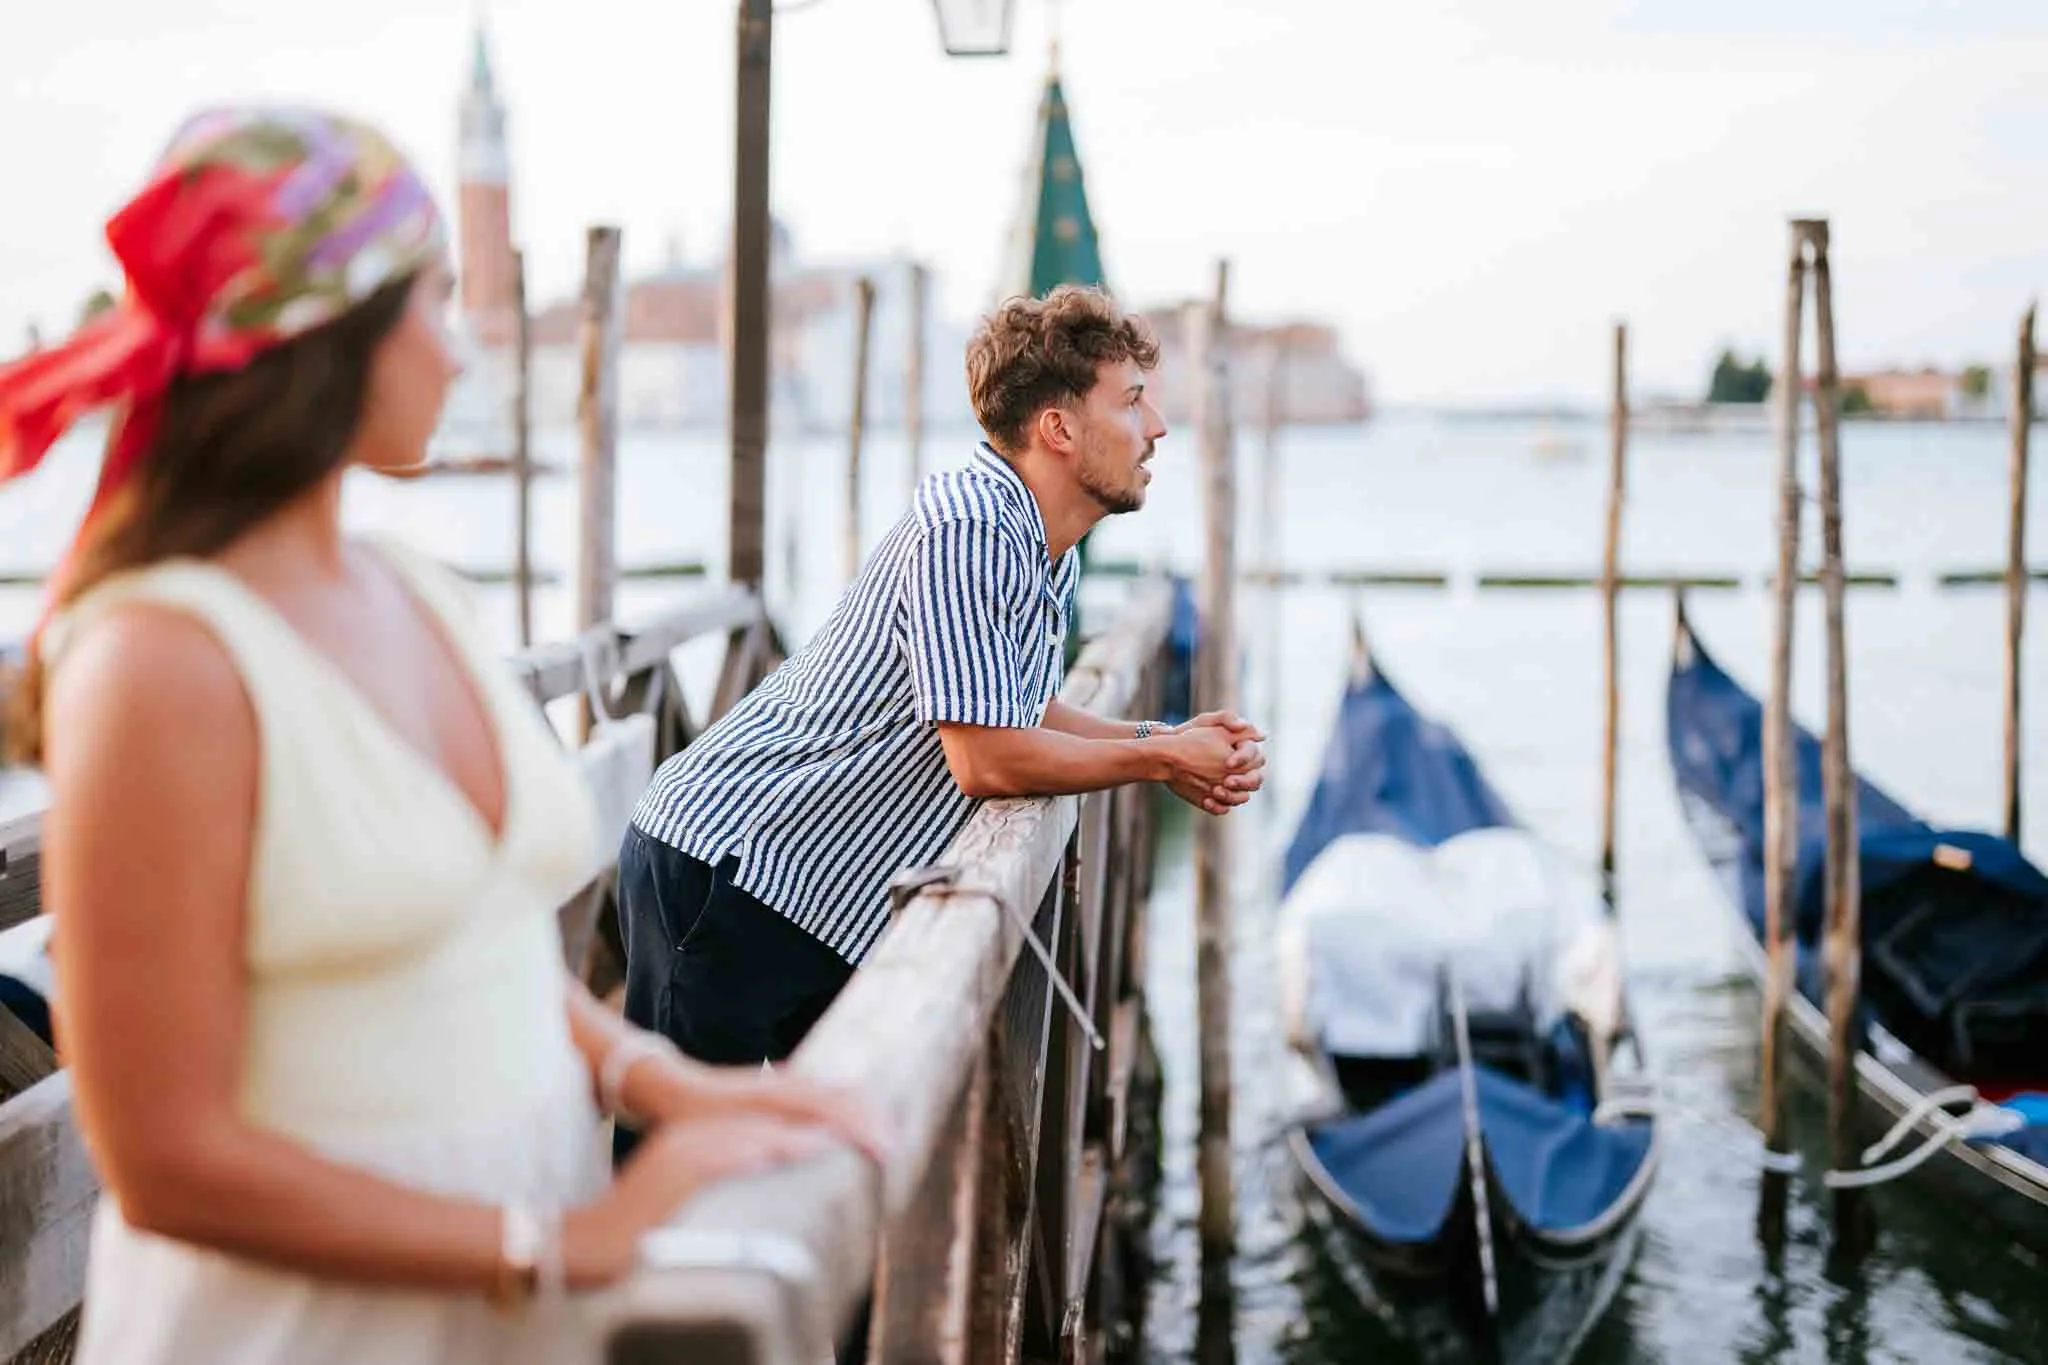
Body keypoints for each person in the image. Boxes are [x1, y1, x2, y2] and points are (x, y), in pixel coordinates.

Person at [0, 106, 877, 1365]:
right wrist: (553, 1244)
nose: (460, 354)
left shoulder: (421, 593)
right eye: (431, 304)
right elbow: (163, 1163)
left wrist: (660, 1078)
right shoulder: (160, 658)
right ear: (326, 334)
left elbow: (483, 932)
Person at [619, 282, 1265, 1095]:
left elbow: (1017, 708)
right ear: (1057, 427)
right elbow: (987, 757)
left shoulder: (1046, 546)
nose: (1158, 427)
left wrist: (1158, 736)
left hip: (820, 891)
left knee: (838, 1155)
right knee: (684, 1179)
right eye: (1132, 402)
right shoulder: (973, 526)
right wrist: (1164, 761)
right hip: (728, 866)